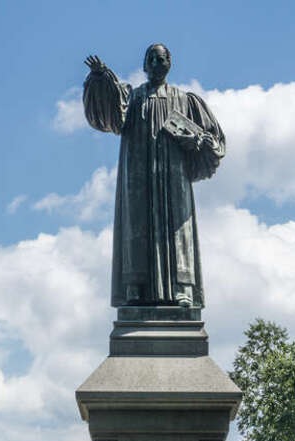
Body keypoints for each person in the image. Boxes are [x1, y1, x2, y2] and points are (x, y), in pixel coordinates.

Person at [83, 44, 225, 308]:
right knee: (136, 224)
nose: (157, 64)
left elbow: (214, 141)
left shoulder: (185, 100)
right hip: (138, 174)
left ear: (169, 63)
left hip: (174, 174)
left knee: (177, 227)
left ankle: (182, 288)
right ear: (144, 65)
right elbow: (111, 115)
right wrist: (102, 78)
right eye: (152, 59)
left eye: (162, 59)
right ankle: (135, 288)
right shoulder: (133, 98)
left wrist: (197, 140)